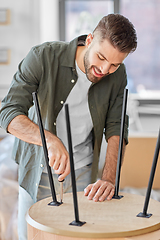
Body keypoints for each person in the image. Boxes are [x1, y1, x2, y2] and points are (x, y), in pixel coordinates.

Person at [0, 14, 137, 240]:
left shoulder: (118, 75)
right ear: (90, 39)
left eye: (114, 64)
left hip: (84, 171)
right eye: (101, 57)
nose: (104, 69)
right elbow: (8, 113)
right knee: (32, 236)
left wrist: (109, 178)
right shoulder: (42, 56)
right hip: (38, 169)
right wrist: (50, 141)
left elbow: (117, 126)